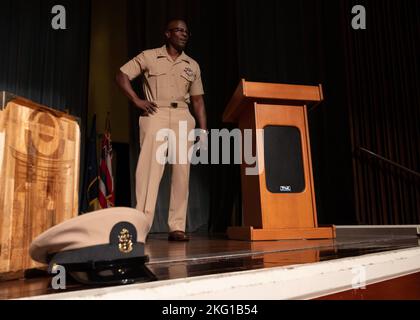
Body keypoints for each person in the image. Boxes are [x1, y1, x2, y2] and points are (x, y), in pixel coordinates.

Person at [116, 19, 207, 241]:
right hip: (155, 113)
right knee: (149, 170)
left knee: (181, 172)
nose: (184, 34)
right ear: (167, 34)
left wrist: (203, 131)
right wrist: (136, 100)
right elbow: (121, 75)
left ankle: (177, 226)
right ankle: (141, 224)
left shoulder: (192, 65)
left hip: (182, 117)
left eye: (186, 31)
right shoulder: (149, 56)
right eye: (179, 30)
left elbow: (198, 101)